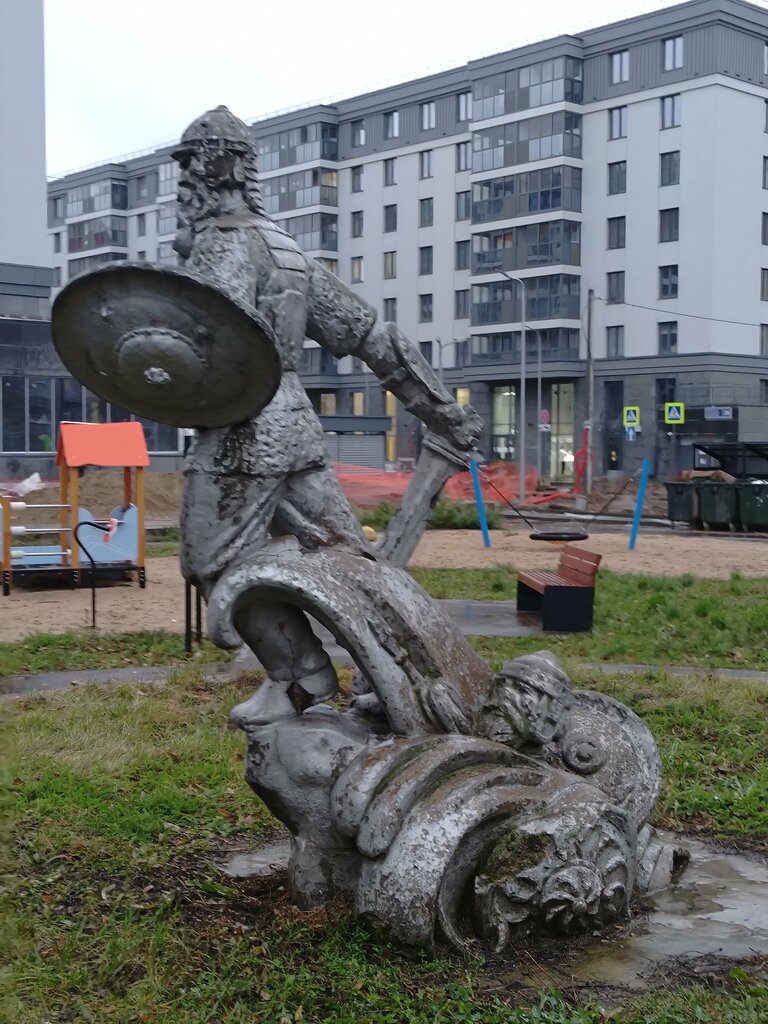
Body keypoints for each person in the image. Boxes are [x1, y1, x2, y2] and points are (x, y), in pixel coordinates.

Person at [172, 106, 481, 713]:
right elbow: (371, 336)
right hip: (295, 429)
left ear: (224, 165)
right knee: (352, 561)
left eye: (191, 166)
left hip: (240, 435)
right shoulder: (284, 248)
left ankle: (302, 677)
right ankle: (399, 682)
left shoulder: (220, 245)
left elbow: (208, 349)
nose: (185, 181)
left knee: (210, 561)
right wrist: (441, 407)